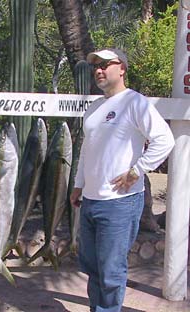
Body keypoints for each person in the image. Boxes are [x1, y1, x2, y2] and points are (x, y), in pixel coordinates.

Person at [70, 48, 174, 312]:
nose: (99, 70)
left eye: (106, 64)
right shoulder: (94, 108)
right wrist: (79, 184)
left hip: (120, 203)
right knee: (93, 270)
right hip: (91, 201)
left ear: (122, 69)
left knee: (111, 273)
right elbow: (87, 149)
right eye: (96, 66)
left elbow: (164, 140)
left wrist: (136, 171)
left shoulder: (134, 102)